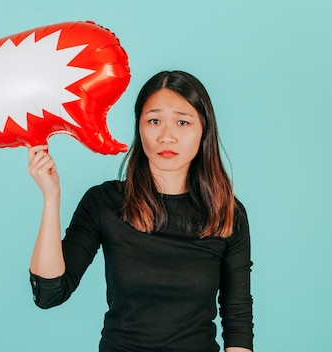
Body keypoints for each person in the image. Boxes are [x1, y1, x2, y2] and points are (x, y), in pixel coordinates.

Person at [27, 70, 253, 352]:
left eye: (182, 122)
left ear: (203, 129)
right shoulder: (105, 202)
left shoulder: (226, 212)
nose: (166, 136)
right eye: (154, 121)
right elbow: (50, 294)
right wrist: (51, 197)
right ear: (139, 127)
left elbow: (238, 318)